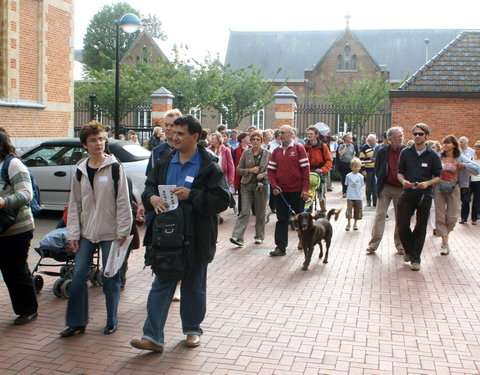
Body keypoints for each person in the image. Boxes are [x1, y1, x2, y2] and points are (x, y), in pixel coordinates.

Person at [130, 115, 230, 353]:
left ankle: (193, 330)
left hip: (197, 236)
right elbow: (149, 187)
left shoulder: (209, 165)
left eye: (180, 134)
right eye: (172, 132)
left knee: (194, 286)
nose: (173, 137)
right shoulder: (164, 159)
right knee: (161, 283)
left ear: (194, 137)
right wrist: (151, 197)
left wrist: (192, 195)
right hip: (167, 236)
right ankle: (152, 336)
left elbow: (222, 200)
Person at [60, 121, 132, 337]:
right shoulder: (80, 170)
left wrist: (123, 231)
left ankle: (111, 320)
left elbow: (123, 202)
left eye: (101, 139)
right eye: (93, 140)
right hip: (86, 233)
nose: (98, 143)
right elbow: (75, 204)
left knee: (111, 277)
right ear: (85, 145)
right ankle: (76, 322)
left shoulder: (115, 168)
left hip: (111, 232)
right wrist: (72, 233)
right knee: (79, 274)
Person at [0, 130, 38, 325]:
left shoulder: (12, 164)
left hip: (16, 228)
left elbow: (25, 194)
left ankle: (28, 310)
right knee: (10, 269)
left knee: (15, 269)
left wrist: (3, 202)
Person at [396, 123, 442, 271]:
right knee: (402, 225)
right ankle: (409, 250)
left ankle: (416, 259)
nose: (417, 136)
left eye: (420, 134)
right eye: (415, 134)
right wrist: (404, 182)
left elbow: (439, 176)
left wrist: (427, 183)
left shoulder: (433, 155)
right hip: (408, 193)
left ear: (426, 136)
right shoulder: (406, 152)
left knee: (420, 227)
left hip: (424, 194)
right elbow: (400, 172)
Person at [267, 125, 310, 256]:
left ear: (291, 134)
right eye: (280, 133)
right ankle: (280, 247)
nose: (281, 135)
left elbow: (305, 170)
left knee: (300, 219)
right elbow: (271, 170)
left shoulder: (299, 148)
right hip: (281, 192)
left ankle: (303, 241)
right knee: (281, 220)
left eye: (283, 133)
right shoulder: (276, 151)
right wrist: (274, 185)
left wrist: (305, 189)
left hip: (297, 191)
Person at [366, 127, 405, 255]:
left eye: (401, 136)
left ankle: (400, 245)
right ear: (390, 139)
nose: (400, 138)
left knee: (400, 217)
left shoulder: (406, 151)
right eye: (398, 136)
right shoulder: (383, 152)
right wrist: (381, 183)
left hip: (401, 189)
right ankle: (373, 244)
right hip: (386, 188)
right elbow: (378, 169)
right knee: (380, 215)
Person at [230, 131, 271, 246]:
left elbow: (273, 169)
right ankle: (237, 237)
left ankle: (259, 236)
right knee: (244, 211)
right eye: (253, 139)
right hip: (246, 185)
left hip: (261, 185)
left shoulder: (268, 154)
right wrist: (250, 170)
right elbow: (238, 169)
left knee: (260, 212)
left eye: (258, 139)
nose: (256, 141)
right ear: (250, 141)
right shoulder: (246, 153)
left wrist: (263, 175)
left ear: (262, 141)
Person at [433, 135, 467, 255]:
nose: (445, 145)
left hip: (454, 188)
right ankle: (445, 243)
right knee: (440, 216)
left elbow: (475, 168)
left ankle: (444, 234)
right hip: (439, 187)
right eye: (444, 143)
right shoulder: (439, 157)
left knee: (451, 218)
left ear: (454, 144)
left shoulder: (459, 158)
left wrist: (464, 165)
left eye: (447, 143)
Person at [304, 125, 332, 213]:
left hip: (320, 171)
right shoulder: (304, 147)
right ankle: (308, 211)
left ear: (316, 135)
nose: (309, 136)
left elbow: (329, 160)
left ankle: (323, 211)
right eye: (308, 134)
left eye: (311, 134)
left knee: (321, 195)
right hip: (309, 172)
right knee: (308, 193)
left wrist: (323, 170)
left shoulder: (323, 146)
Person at [208, 132, 235, 223]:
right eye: (210, 138)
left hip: (224, 177)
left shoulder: (226, 150)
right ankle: (216, 213)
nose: (211, 140)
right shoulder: (208, 150)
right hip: (212, 177)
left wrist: (231, 178)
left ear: (219, 140)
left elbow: (231, 165)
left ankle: (220, 214)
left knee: (222, 195)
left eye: (213, 138)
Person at [459, 136, 476, 224]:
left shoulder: (472, 152)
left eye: (461, 142)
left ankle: (471, 218)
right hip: (463, 178)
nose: (460, 143)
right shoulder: (458, 152)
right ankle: (464, 217)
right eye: (459, 141)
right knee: (464, 199)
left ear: (466, 143)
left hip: (471, 178)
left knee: (468, 199)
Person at [345, 158, 364, 231]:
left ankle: (355, 224)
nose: (356, 168)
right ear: (352, 167)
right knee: (349, 210)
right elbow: (347, 184)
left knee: (357, 210)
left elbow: (361, 185)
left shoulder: (361, 176)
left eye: (358, 166)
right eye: (355, 166)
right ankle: (348, 223)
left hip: (358, 196)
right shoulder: (348, 176)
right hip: (350, 196)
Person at [359, 134, 378, 207]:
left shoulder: (377, 147)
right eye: (373, 141)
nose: (375, 142)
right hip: (368, 169)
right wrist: (363, 170)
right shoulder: (364, 148)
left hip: (376, 169)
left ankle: (375, 201)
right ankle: (368, 201)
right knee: (369, 186)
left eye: (375, 140)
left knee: (375, 186)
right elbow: (361, 159)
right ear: (369, 141)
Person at [337, 133, 356, 198]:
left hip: (350, 164)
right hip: (343, 164)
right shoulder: (341, 146)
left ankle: (350, 191)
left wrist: (354, 162)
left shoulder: (352, 146)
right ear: (345, 139)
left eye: (351, 137)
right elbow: (341, 154)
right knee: (344, 178)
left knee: (351, 178)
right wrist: (345, 147)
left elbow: (353, 154)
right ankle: (344, 192)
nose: (351, 138)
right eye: (349, 137)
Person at [469, 142, 480, 224]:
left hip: (478, 181)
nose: (476, 151)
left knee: (476, 200)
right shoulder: (471, 158)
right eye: (476, 149)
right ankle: (464, 217)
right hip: (470, 181)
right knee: (466, 199)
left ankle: (474, 218)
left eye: (478, 149)